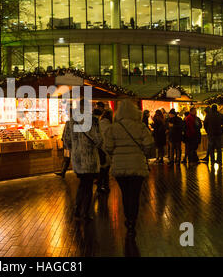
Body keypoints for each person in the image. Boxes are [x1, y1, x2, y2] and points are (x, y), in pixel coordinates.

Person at [104, 100, 154, 238]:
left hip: (119, 166)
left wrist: (115, 154)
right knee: (135, 194)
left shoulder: (113, 128)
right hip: (137, 165)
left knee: (125, 194)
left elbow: (107, 147)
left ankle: (128, 218)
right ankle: (133, 221)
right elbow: (149, 144)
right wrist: (142, 152)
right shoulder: (140, 127)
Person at [63, 103, 102, 221]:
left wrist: (75, 149)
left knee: (83, 184)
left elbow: (66, 140)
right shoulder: (93, 121)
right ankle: (84, 212)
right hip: (90, 159)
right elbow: (99, 140)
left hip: (78, 160)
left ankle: (77, 210)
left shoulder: (70, 122)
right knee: (88, 186)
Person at [97, 110, 113, 193]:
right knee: (106, 169)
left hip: (99, 150)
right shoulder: (110, 126)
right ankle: (105, 186)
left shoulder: (99, 124)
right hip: (107, 149)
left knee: (101, 169)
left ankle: (100, 186)